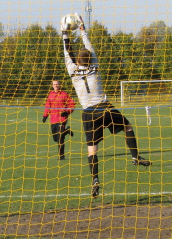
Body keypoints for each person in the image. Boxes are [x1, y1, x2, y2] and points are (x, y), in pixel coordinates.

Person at [61, 13, 151, 198]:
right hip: (105, 107)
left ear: (77, 61)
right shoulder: (95, 65)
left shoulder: (72, 70)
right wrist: (82, 29)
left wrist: (65, 33)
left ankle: (95, 179)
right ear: (90, 59)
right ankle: (135, 157)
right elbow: (88, 48)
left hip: (88, 113)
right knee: (127, 126)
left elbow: (66, 51)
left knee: (92, 149)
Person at [42, 80, 76, 160]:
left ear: (60, 85)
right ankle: (66, 131)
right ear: (52, 85)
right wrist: (45, 115)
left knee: (60, 138)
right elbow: (48, 106)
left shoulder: (64, 94)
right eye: (54, 84)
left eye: (57, 84)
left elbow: (72, 105)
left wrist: (66, 111)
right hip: (53, 119)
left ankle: (61, 156)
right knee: (55, 138)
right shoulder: (50, 95)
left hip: (62, 118)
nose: (56, 85)